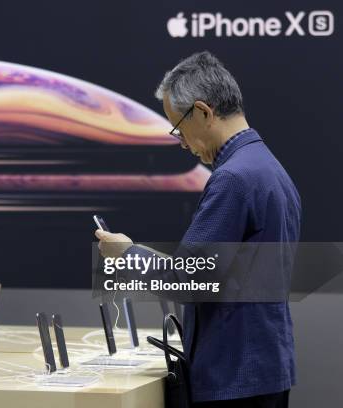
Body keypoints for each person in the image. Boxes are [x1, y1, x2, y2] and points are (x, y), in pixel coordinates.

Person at [95, 51, 300, 407]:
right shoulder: (271, 169)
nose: (182, 142)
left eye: (179, 128)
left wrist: (126, 255)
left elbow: (189, 281)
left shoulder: (233, 179)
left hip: (234, 377)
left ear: (203, 112)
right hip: (264, 370)